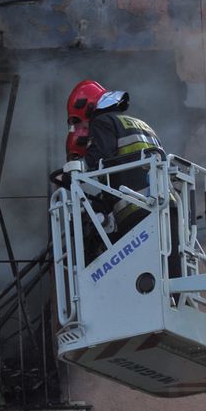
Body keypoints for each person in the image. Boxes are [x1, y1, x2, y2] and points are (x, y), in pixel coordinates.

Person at [66, 80, 178, 277]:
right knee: (170, 275)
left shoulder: (102, 122)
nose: (79, 126)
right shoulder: (141, 124)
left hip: (136, 209)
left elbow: (98, 159)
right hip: (168, 208)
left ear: (86, 106)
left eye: (76, 120)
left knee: (139, 277)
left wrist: (76, 168)